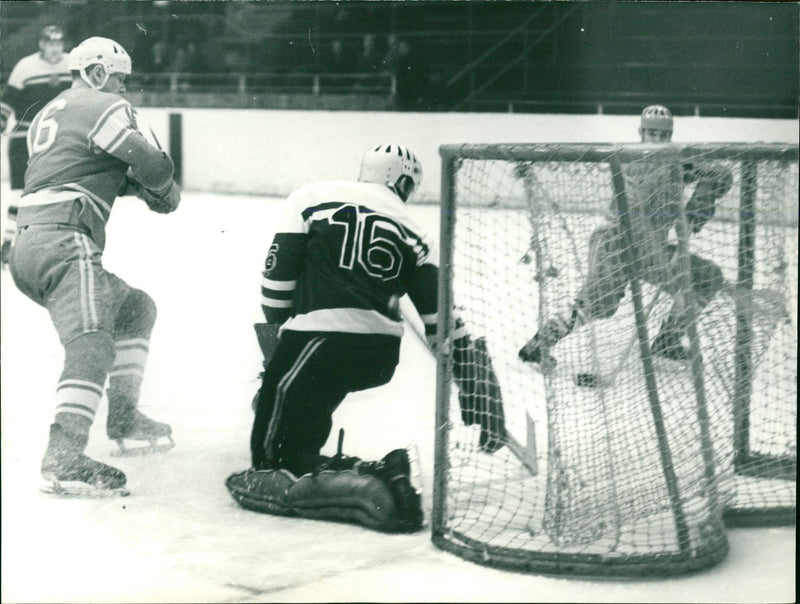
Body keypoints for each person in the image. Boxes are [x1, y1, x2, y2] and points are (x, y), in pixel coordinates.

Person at [7, 36, 181, 496]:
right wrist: (163, 188)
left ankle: (122, 415)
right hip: (66, 239)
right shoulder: (104, 105)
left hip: (31, 243)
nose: (124, 91)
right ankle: (64, 452)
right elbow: (148, 163)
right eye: (120, 80)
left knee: (134, 308)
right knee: (92, 341)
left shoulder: (54, 109)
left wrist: (134, 186)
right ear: (99, 72)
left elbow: (83, 169)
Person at [518, 105, 733, 367]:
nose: (656, 140)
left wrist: (697, 209)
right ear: (640, 132)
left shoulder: (679, 162)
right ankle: (538, 345)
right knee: (600, 303)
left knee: (707, 277)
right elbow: (635, 212)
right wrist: (666, 249)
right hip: (615, 242)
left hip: (651, 249)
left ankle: (668, 340)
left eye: (663, 135)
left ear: (671, 136)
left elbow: (721, 174)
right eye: (651, 133)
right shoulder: (635, 161)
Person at [1, 26, 72, 267]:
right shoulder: (25, 67)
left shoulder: (72, 64)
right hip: (24, 137)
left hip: (58, 139)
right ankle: (8, 245)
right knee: (20, 194)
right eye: (50, 43)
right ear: (41, 44)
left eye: (58, 43)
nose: (54, 47)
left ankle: (51, 248)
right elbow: (6, 103)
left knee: (57, 194)